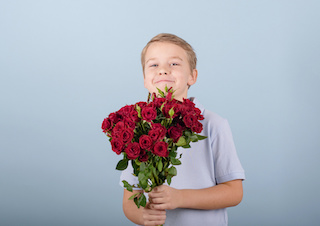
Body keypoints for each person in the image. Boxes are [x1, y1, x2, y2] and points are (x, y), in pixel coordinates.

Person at [120, 33, 245, 226]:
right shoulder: (139, 130)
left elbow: (234, 192)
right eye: (154, 65)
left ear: (192, 76)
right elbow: (130, 198)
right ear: (145, 79)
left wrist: (180, 198)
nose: (162, 71)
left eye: (174, 64)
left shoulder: (214, 124)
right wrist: (141, 215)